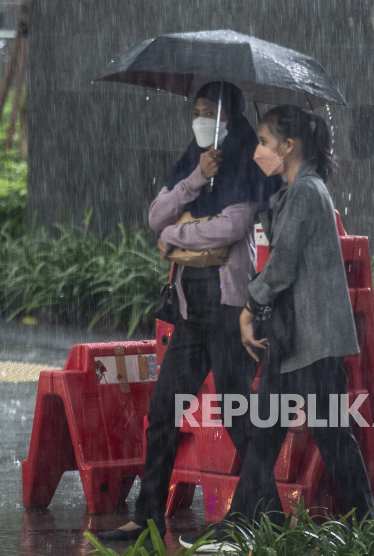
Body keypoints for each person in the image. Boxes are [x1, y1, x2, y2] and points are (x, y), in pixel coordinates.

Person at [179, 104, 374, 552]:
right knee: (264, 438)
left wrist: (249, 306)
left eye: (265, 143)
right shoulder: (293, 192)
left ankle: (368, 526)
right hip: (290, 338)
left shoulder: (307, 192)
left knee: (330, 436)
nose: (259, 151)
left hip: (313, 340)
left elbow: (282, 265)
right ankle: (241, 525)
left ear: (288, 147)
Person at [94, 82, 281, 542]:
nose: (199, 121)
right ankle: (147, 515)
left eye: (208, 113)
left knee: (237, 413)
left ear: (228, 117)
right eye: (195, 111)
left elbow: (232, 226)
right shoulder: (194, 158)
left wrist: (178, 237)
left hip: (228, 309)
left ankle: (269, 514)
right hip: (190, 313)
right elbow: (156, 215)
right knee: (163, 410)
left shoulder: (242, 158)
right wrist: (196, 177)